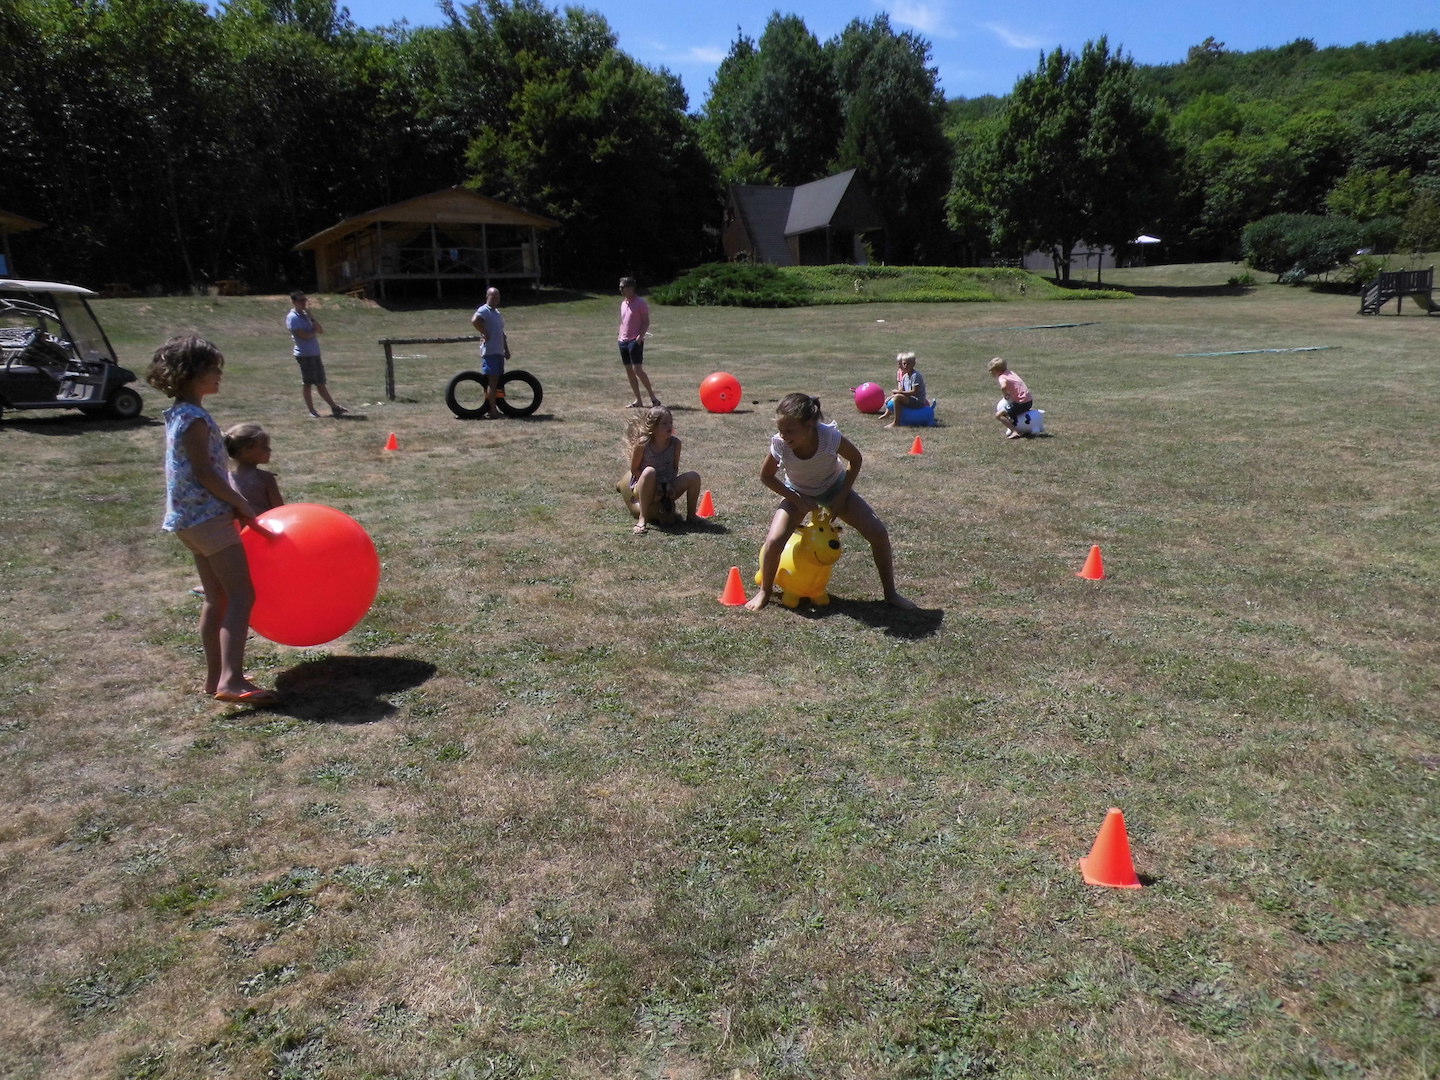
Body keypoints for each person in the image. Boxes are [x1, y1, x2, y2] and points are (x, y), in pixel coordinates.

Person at [147, 334, 280, 706]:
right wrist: (241, 503)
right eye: (213, 369)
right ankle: (233, 681)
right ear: (193, 373)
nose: (220, 374)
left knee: (217, 598)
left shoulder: (179, 414)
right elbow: (205, 473)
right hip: (208, 520)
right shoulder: (194, 419)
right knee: (241, 594)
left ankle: (214, 679)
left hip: (189, 522)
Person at [746, 393, 915, 611]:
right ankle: (764, 592)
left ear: (809, 426)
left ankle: (891, 594)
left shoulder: (829, 437)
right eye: (780, 429)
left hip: (834, 488)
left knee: (878, 533)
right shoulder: (780, 443)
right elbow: (766, 476)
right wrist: (796, 498)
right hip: (797, 492)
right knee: (774, 541)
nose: (783, 435)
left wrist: (842, 495)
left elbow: (855, 459)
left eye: (789, 431)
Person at [621, 405, 701, 533]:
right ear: (654, 427)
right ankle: (643, 519)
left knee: (694, 477)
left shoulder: (675, 443)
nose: (669, 426)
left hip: (666, 486)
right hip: (644, 485)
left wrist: (667, 486)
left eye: (670, 422)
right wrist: (656, 485)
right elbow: (635, 470)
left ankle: (692, 516)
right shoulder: (642, 444)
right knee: (649, 471)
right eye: (664, 424)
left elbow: (674, 468)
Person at [286, 292, 348, 418]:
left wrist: (312, 318)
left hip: (314, 353)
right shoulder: (293, 317)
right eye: (300, 300)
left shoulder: (306, 315)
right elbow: (304, 335)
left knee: (320, 382)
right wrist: (313, 331)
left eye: (304, 300)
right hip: (304, 355)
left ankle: (334, 408)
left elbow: (320, 330)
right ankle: (312, 411)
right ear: (294, 302)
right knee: (308, 383)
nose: (303, 302)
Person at [617, 276, 660, 409]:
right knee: (629, 370)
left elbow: (646, 321)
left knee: (638, 370)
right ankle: (638, 401)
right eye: (620, 287)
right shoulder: (623, 303)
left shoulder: (640, 303)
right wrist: (619, 335)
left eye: (622, 287)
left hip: (635, 340)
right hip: (623, 341)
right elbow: (624, 322)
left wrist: (640, 336)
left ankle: (653, 398)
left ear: (630, 288)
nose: (621, 290)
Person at [224, 422, 285, 513]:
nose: (270, 450)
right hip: (265, 525)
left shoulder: (226, 478)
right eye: (264, 447)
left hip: (241, 526)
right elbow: (280, 510)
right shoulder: (265, 478)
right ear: (247, 451)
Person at [469, 286, 510, 418]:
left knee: (497, 382)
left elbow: (501, 333)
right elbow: (475, 320)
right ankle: (492, 410)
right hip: (490, 351)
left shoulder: (497, 313)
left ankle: (493, 407)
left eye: (497, 296)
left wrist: (506, 349)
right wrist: (484, 332)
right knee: (492, 382)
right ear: (488, 297)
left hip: (499, 351)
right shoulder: (484, 310)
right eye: (493, 296)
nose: (496, 299)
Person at [989, 356, 1035, 439]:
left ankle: (1015, 431)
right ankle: (1024, 427)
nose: (990, 372)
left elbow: (1003, 386)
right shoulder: (1010, 372)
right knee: (1012, 413)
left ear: (997, 370)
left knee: (999, 415)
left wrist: (1005, 395)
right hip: (1029, 400)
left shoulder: (1002, 377)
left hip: (1021, 403)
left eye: (991, 370)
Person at [884, 351, 929, 427]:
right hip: (910, 399)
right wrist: (892, 396)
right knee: (895, 397)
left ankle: (896, 422)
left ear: (913, 364)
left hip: (918, 401)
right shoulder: (905, 377)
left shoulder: (915, 375)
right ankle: (892, 416)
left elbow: (914, 392)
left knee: (898, 398)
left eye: (908, 364)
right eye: (904, 363)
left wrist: (897, 393)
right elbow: (902, 391)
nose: (905, 366)